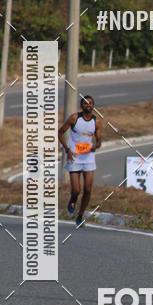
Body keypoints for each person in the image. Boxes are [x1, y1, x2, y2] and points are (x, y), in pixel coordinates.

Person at [58, 95, 101, 228]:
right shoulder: (74, 118)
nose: (88, 105)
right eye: (85, 103)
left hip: (88, 158)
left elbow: (99, 141)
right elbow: (60, 132)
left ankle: (80, 215)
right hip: (74, 157)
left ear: (93, 106)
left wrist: (95, 146)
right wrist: (67, 149)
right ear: (81, 106)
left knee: (88, 189)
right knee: (76, 190)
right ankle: (73, 199)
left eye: (91, 103)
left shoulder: (97, 121)